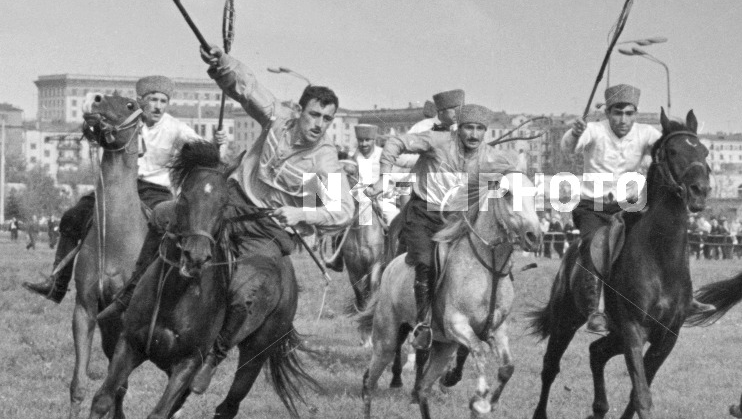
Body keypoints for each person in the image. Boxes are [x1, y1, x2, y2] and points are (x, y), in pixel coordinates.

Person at [153, 46, 354, 393]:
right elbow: (247, 87)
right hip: (231, 203)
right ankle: (132, 300)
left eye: (326, 119)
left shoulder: (325, 159)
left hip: (270, 228)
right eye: (314, 115)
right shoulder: (276, 118)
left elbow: (343, 210)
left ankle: (213, 358)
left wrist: (300, 212)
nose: (319, 125)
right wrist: (222, 63)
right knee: (162, 215)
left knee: (248, 290)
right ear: (299, 110)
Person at [22, 76, 220, 303]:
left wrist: (215, 142)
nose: (157, 106)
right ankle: (57, 284)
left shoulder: (176, 128)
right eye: (152, 100)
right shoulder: (125, 121)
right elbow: (97, 129)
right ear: (140, 101)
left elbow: (202, 149)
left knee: (168, 228)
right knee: (71, 217)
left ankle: (171, 290)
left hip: (155, 191)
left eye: (163, 101)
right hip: (119, 186)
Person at [560, 83, 713, 333]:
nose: (623, 119)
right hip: (593, 208)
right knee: (593, 244)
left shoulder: (646, 133)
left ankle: (685, 298)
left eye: (629, 114)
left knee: (665, 240)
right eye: (617, 113)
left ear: (636, 114)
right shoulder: (593, 130)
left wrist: (689, 145)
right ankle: (594, 310)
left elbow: (670, 145)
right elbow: (569, 148)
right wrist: (575, 133)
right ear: (607, 113)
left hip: (629, 206)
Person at [370, 103, 516, 350]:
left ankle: (487, 317)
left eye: (479, 129)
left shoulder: (488, 155)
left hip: (457, 220)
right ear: (458, 128)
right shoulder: (436, 141)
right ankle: (423, 325)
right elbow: (395, 143)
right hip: (423, 216)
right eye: (469, 128)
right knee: (426, 263)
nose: (473, 135)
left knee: (489, 262)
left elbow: (514, 171)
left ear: (485, 132)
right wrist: (384, 176)